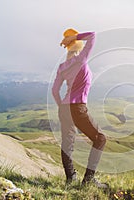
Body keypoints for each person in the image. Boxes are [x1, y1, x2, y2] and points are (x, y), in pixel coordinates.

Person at [52, 28, 107, 188]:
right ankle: (89, 179)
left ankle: (71, 178)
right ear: (78, 45)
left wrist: (62, 106)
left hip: (64, 108)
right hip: (78, 107)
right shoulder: (81, 60)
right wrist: (73, 37)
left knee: (67, 143)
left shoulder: (62, 67)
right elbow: (92, 35)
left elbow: (55, 91)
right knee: (100, 138)